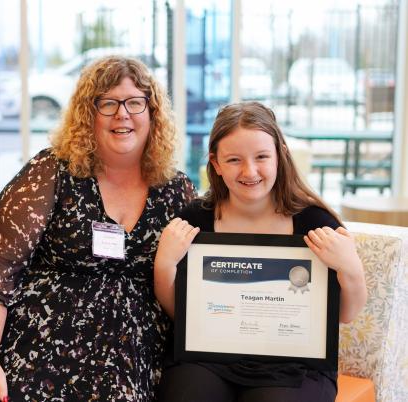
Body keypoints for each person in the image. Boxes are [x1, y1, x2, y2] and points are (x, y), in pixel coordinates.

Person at [0, 55, 196, 401]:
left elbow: (194, 284)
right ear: (87, 115)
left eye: (135, 102)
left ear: (152, 112)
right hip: (42, 333)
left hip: (132, 347)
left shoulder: (176, 189)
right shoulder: (52, 171)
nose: (122, 114)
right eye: (107, 103)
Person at [154, 101, 367, 402]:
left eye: (262, 157)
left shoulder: (314, 222)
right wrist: (165, 264)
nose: (249, 171)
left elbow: (346, 314)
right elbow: (181, 314)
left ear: (280, 155)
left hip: (296, 363)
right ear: (215, 164)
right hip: (208, 358)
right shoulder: (194, 220)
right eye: (233, 160)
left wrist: (350, 268)